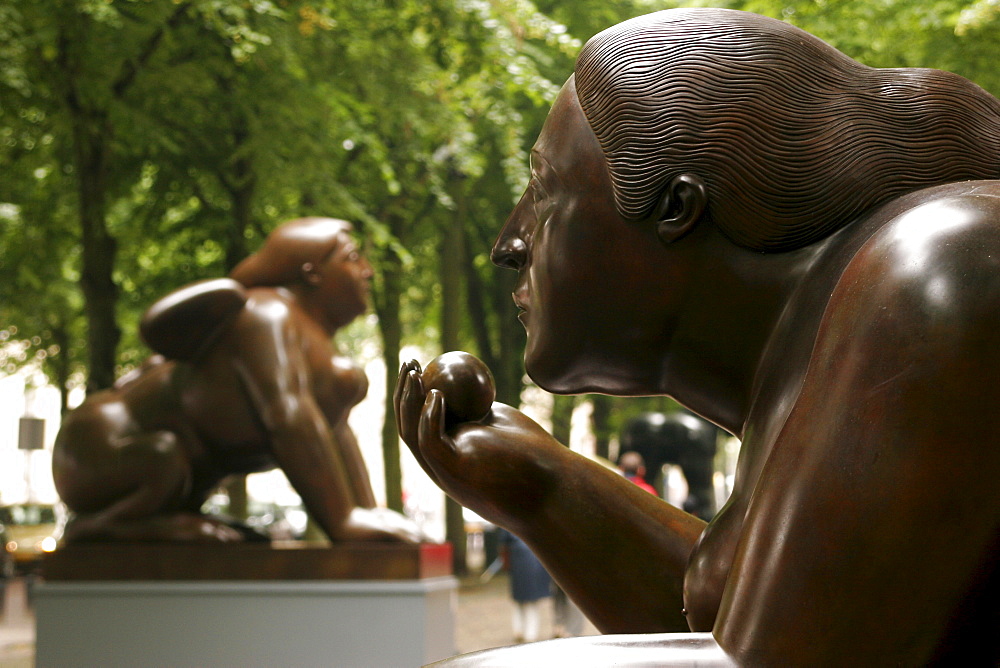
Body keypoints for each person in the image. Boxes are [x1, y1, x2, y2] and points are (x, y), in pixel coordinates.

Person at [395, 8, 1000, 665]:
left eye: (543, 191)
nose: (508, 243)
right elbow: (740, 628)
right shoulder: (812, 368)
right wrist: (545, 490)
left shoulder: (942, 268)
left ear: (678, 207)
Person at [54, 217, 421, 544]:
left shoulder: (308, 331)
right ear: (312, 273)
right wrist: (342, 521)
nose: (368, 271)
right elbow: (288, 416)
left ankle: (165, 518)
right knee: (163, 457)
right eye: (353, 258)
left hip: (170, 469)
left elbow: (332, 428)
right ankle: (110, 526)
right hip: (99, 446)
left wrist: (367, 513)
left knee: (170, 461)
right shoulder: (266, 315)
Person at [498, 528, 551, 643]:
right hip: (528, 563)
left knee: (525, 600)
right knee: (528, 601)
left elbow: (504, 543)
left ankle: (523, 630)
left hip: (523, 563)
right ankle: (526, 632)